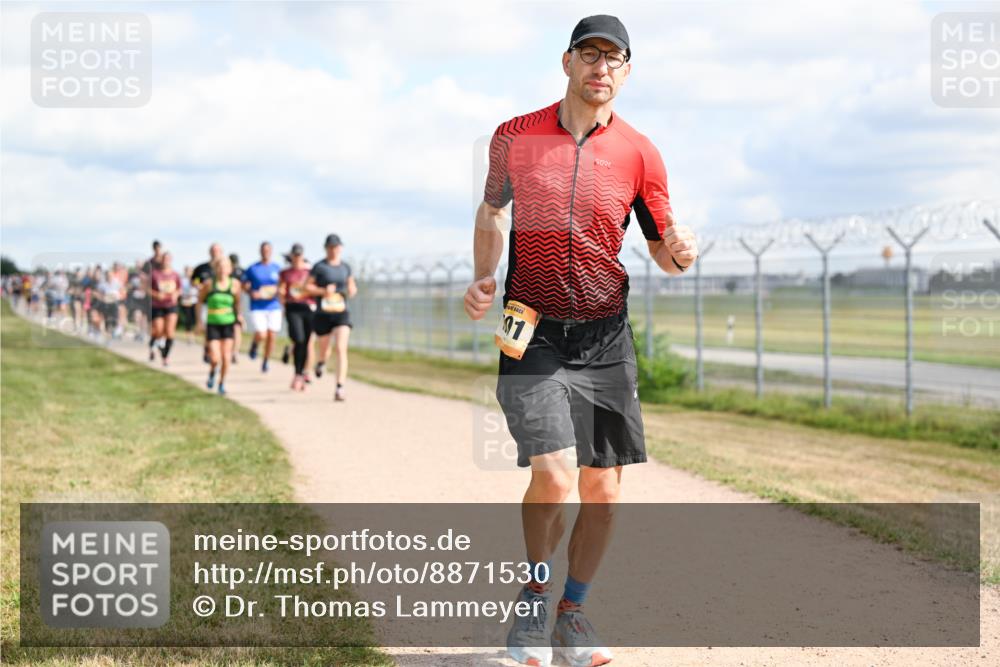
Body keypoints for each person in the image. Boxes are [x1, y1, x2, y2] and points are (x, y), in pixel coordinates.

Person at [464, 15, 699, 667]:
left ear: (626, 72)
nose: (601, 67)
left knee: (603, 487)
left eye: (614, 59)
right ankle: (534, 602)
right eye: (590, 55)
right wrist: (485, 276)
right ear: (566, 62)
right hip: (529, 327)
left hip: (605, 333)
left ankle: (573, 609)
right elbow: (492, 209)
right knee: (553, 471)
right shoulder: (514, 137)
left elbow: (661, 244)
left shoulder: (641, 152)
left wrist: (680, 253)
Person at [306, 234, 357, 401]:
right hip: (323, 313)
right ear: (326, 248)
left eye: (336, 247)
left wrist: (351, 290)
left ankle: (339, 387)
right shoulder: (319, 267)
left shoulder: (346, 267)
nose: (334, 250)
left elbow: (351, 285)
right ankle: (321, 362)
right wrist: (322, 291)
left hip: (341, 312)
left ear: (340, 248)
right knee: (324, 349)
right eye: (331, 247)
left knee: (341, 348)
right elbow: (307, 287)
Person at [198, 255, 242, 395]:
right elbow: (199, 301)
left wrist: (239, 316)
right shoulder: (209, 284)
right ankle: (212, 372)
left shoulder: (234, 284)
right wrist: (199, 321)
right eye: (220, 267)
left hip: (228, 323)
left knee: (226, 357)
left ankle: (222, 383)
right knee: (215, 358)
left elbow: (237, 302)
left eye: (225, 267)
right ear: (215, 268)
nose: (222, 270)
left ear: (230, 269)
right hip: (213, 324)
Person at [279, 244, 315, 391]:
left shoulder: (310, 272)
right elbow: (281, 289)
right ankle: (298, 373)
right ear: (291, 256)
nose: (297, 257)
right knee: (298, 339)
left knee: (306, 343)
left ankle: (300, 374)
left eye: (299, 254)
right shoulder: (285, 273)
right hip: (292, 308)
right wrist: (282, 301)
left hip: (308, 307)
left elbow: (315, 288)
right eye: (295, 254)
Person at [243, 242, 283, 373]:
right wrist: (250, 292)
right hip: (257, 306)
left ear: (271, 251)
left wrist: (278, 291)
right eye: (263, 250)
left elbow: (283, 286)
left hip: (273, 305)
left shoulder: (277, 268)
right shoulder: (253, 268)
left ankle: (266, 360)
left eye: (268, 250)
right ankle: (255, 344)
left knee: (272, 335)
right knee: (262, 333)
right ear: (260, 251)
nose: (265, 252)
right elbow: (244, 285)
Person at [192, 244, 224, 363]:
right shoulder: (202, 268)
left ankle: (213, 349)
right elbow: (194, 280)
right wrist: (198, 285)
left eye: (217, 251)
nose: (215, 253)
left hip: (221, 306)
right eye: (213, 251)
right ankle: (208, 348)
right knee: (207, 328)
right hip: (206, 302)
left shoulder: (223, 268)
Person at [149, 252, 181, 366]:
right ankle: (153, 344)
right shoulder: (155, 274)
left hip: (171, 305)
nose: (166, 261)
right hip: (157, 306)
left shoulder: (175, 275)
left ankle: (165, 356)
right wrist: (156, 294)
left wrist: (176, 294)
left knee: (170, 332)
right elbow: (147, 289)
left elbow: (179, 289)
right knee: (158, 330)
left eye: (168, 259)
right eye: (164, 259)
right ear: (161, 260)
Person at [229, 253, 245, 364]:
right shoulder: (225, 272)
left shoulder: (241, 272)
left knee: (236, 329)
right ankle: (232, 352)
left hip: (236, 304)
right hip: (227, 304)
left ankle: (235, 352)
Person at [178, 266, 199, 344]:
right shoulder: (182, 280)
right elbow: (180, 290)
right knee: (188, 320)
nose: (188, 273)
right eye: (187, 271)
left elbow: (198, 287)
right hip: (186, 302)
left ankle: (195, 334)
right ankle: (189, 337)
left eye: (190, 271)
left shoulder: (195, 279)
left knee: (195, 319)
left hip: (194, 301)